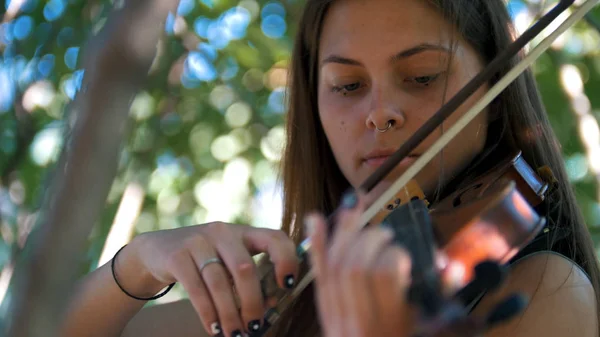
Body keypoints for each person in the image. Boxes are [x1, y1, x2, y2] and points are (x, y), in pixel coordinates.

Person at [59, 0, 600, 336]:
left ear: (492, 87)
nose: (381, 113)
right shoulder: (287, 296)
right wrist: (136, 268)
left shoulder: (544, 292)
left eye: (422, 75)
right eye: (347, 86)